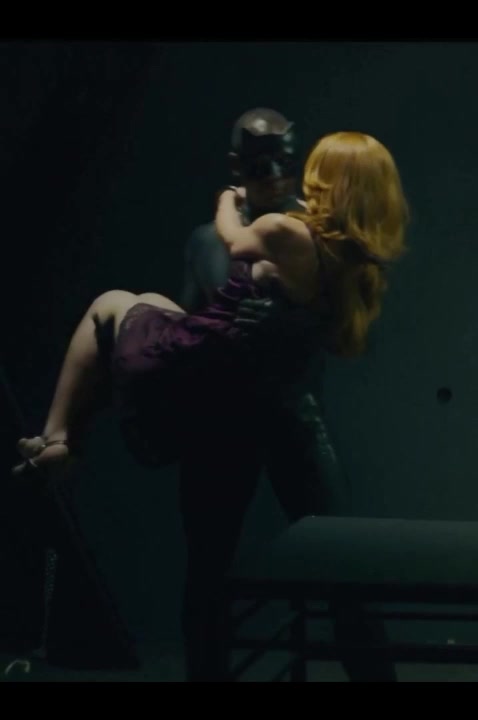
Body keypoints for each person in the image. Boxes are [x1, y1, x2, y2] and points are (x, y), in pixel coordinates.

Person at [12, 123, 410, 677]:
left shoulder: (303, 237)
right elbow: (190, 328)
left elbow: (304, 327)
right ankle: (63, 439)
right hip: (227, 417)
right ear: (238, 166)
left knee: (337, 565)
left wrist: (279, 310)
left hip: (284, 414)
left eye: (288, 163)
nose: (277, 175)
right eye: (261, 163)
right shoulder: (299, 247)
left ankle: (62, 437)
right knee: (211, 571)